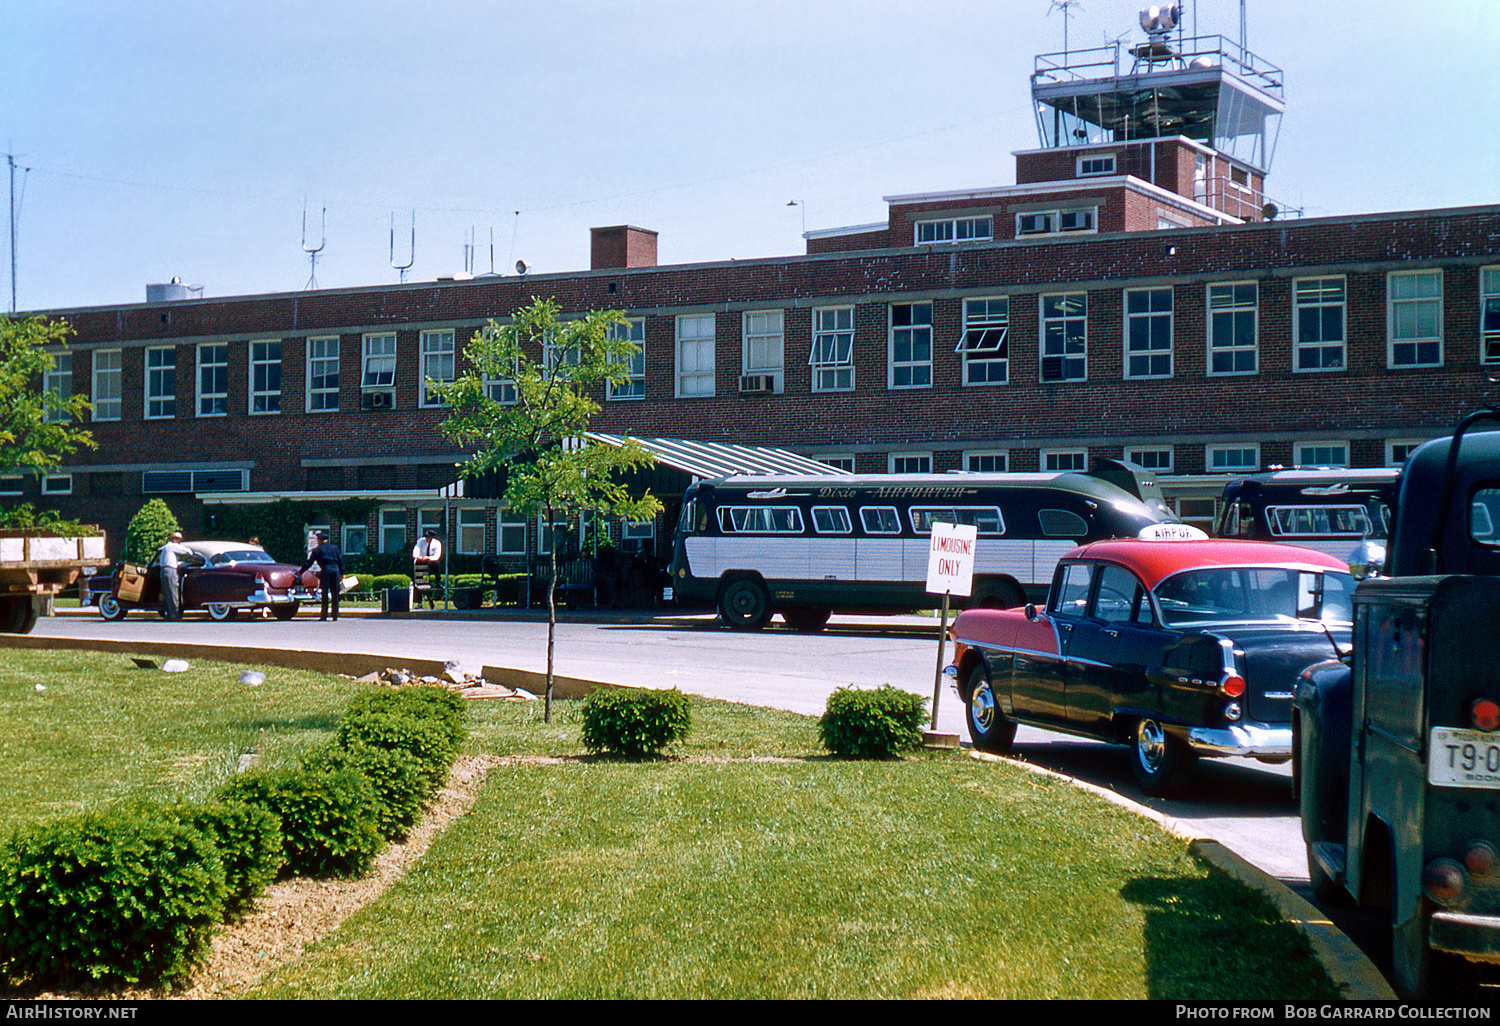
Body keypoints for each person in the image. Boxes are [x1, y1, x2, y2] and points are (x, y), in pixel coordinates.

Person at [299, 530, 344, 621]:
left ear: (320, 540)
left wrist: (301, 571)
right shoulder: (335, 548)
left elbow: (309, 563)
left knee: (325, 594)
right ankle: (335, 616)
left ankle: (324, 616)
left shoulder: (317, 550)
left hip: (326, 570)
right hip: (335, 570)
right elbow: (340, 560)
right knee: (335, 594)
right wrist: (342, 573)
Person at [156, 531, 193, 621]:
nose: (179, 542)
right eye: (178, 540)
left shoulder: (165, 548)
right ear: (174, 539)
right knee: (173, 593)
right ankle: (175, 616)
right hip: (170, 571)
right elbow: (187, 551)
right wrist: (191, 555)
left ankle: (168, 615)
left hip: (163, 571)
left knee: (167, 594)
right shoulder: (172, 546)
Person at [412, 528, 443, 609]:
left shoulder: (437, 543)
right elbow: (416, 550)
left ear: (432, 538)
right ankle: (419, 602)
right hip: (421, 561)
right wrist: (418, 557)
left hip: (430, 562)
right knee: (419, 583)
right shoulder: (421, 541)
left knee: (436, 563)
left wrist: (428, 558)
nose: (427, 539)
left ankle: (438, 581)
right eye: (426, 537)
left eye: (428, 537)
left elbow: (437, 556)